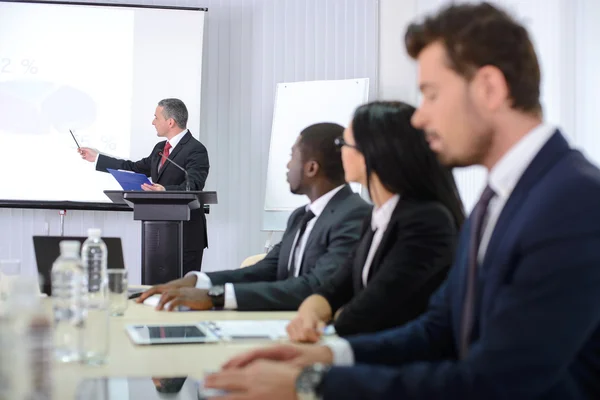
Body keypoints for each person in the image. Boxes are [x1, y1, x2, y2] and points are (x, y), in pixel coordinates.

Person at [203, 3, 600, 399]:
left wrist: (312, 383)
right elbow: (437, 329)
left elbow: (500, 380)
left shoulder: (574, 203)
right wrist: (327, 355)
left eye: (430, 95)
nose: (419, 118)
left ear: (490, 89)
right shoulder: (499, 198)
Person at [136, 122, 371, 312]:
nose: (288, 164)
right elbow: (267, 269)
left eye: (293, 156)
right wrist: (199, 281)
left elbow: (314, 286)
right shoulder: (301, 216)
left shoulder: (353, 215)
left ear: (311, 168)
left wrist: (216, 296)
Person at [286, 101, 464, 342]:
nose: (339, 153)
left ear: (370, 153)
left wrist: (334, 315)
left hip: (401, 363)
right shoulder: (378, 216)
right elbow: (333, 290)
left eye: (343, 144)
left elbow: (370, 311)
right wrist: (309, 314)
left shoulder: (427, 221)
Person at [78, 98, 210, 276]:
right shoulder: (160, 148)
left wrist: (165, 191)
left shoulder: (196, 149)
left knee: (182, 293)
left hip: (186, 235)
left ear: (170, 122)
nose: (153, 122)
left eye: (156, 117)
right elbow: (134, 167)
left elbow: (194, 185)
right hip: (158, 234)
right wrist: (98, 158)